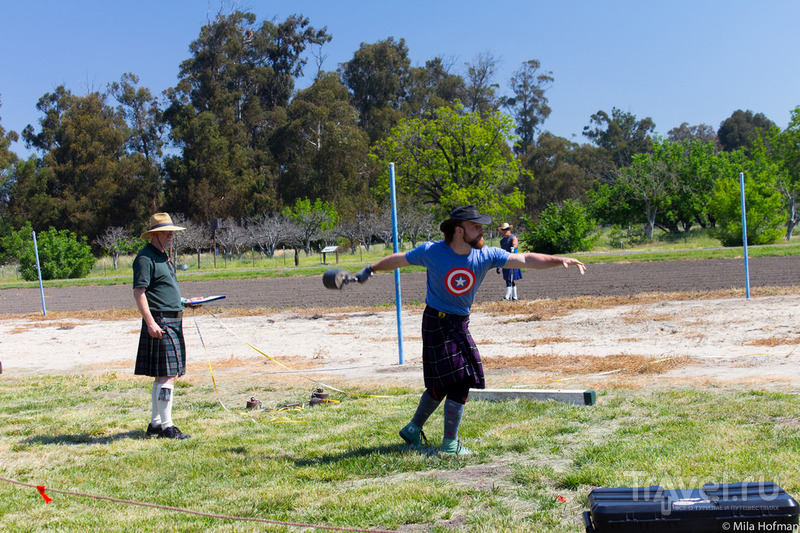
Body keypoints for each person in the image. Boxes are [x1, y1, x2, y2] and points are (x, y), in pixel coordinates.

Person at [355, 205, 586, 455]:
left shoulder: (485, 255)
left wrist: (559, 260)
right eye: (475, 227)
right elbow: (400, 259)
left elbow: (526, 259)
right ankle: (449, 445)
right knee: (462, 378)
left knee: (446, 382)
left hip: (459, 323)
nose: (481, 231)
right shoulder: (432, 251)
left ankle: (412, 428)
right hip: (436, 320)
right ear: (458, 230)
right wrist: (370, 269)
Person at [133, 213, 193, 440]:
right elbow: (139, 292)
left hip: (173, 317)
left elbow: (163, 290)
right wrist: (150, 322)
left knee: (162, 376)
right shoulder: (145, 258)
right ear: (155, 235)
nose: (171, 237)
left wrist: (184, 302)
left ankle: (156, 424)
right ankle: (167, 427)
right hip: (161, 321)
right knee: (167, 375)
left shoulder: (162, 256)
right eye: (167, 233)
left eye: (172, 233)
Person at [497, 222, 522, 300]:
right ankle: (514, 297)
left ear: (509, 230)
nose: (505, 231)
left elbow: (515, 244)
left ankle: (506, 297)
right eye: (504, 230)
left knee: (510, 280)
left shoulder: (513, 237)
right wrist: (498, 264)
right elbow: (502, 252)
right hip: (505, 261)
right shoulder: (502, 241)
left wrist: (513, 248)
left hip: (513, 260)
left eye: (507, 229)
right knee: (509, 280)